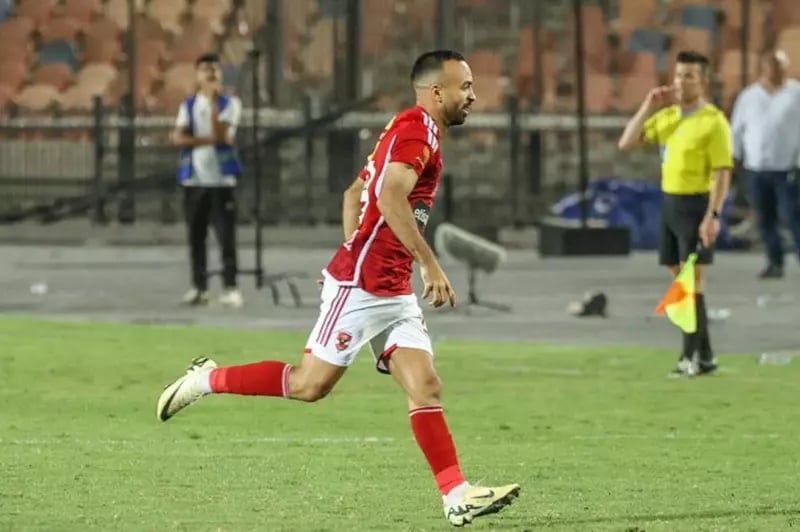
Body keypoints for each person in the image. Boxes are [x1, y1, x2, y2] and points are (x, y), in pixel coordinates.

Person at [156, 50, 520, 527]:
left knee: (426, 385)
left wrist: (360, 247)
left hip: (392, 289)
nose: (472, 95)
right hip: (362, 286)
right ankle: (206, 379)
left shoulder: (407, 129)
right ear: (437, 92)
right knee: (309, 386)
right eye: (465, 86)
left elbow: (353, 195)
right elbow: (388, 196)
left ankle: (456, 495)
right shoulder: (416, 132)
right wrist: (426, 263)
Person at [618, 50, 733, 377]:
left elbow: (722, 172)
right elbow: (627, 142)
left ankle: (689, 357)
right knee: (680, 280)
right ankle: (706, 356)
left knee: (690, 282)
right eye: (679, 75)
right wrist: (648, 106)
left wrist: (713, 215)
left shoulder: (713, 121)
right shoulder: (668, 117)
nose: (681, 82)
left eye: (689, 76)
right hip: (670, 205)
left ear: (703, 81)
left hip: (696, 206)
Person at [171, 52, 244, 308]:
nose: (211, 74)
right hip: (194, 180)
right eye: (205, 69)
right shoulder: (189, 105)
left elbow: (221, 134)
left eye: (214, 69)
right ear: (198, 74)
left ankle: (230, 287)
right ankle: (199, 286)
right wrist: (206, 141)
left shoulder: (230, 104)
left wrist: (214, 104)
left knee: (226, 237)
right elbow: (178, 137)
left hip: (221, 181)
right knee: (196, 236)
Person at [731, 48, 800, 279]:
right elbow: (737, 128)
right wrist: (732, 157)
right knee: (765, 218)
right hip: (756, 168)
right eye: (771, 65)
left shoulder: (796, 93)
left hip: (787, 168)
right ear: (763, 68)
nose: (775, 70)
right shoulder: (749, 96)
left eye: (779, 66)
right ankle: (774, 262)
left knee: (793, 216)